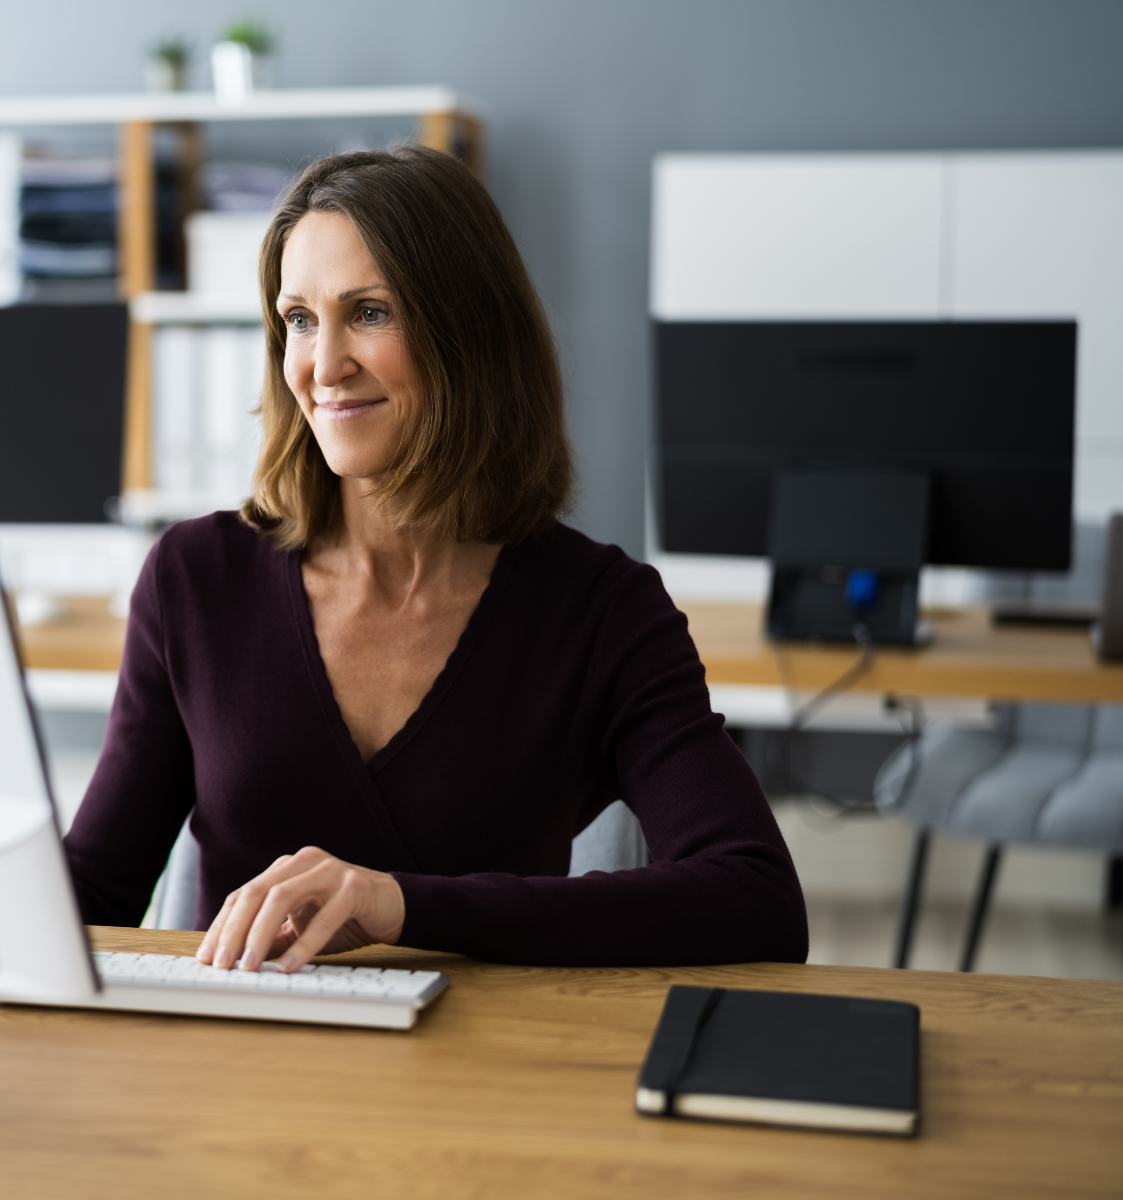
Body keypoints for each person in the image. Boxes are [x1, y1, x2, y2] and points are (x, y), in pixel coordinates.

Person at [63, 145, 808, 974]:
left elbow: (757, 900)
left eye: (370, 312)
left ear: (470, 334)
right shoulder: (195, 578)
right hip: (242, 1076)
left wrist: (403, 905)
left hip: (477, 1080)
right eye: (300, 320)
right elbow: (93, 890)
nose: (323, 364)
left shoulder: (601, 610)